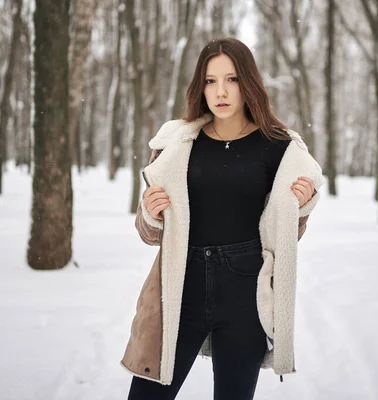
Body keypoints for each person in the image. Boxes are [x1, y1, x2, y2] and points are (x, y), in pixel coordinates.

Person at [121, 37, 324, 400]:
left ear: (248, 83)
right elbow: (149, 233)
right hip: (182, 286)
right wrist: (150, 214)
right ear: (201, 87)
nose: (221, 91)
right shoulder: (179, 145)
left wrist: (301, 207)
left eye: (231, 79)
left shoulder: (277, 147)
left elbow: (285, 234)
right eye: (211, 81)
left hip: (246, 290)